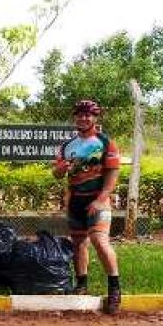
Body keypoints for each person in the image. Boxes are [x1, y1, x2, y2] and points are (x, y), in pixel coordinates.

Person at [53, 100, 122, 314]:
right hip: (76, 200)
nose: (83, 118)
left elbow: (112, 173)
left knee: (99, 240)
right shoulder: (67, 146)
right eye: (80, 115)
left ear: (95, 118)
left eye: (88, 115)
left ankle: (115, 289)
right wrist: (60, 169)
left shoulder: (105, 142)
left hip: (97, 199)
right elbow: (57, 174)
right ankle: (81, 284)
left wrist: (101, 199)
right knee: (78, 243)